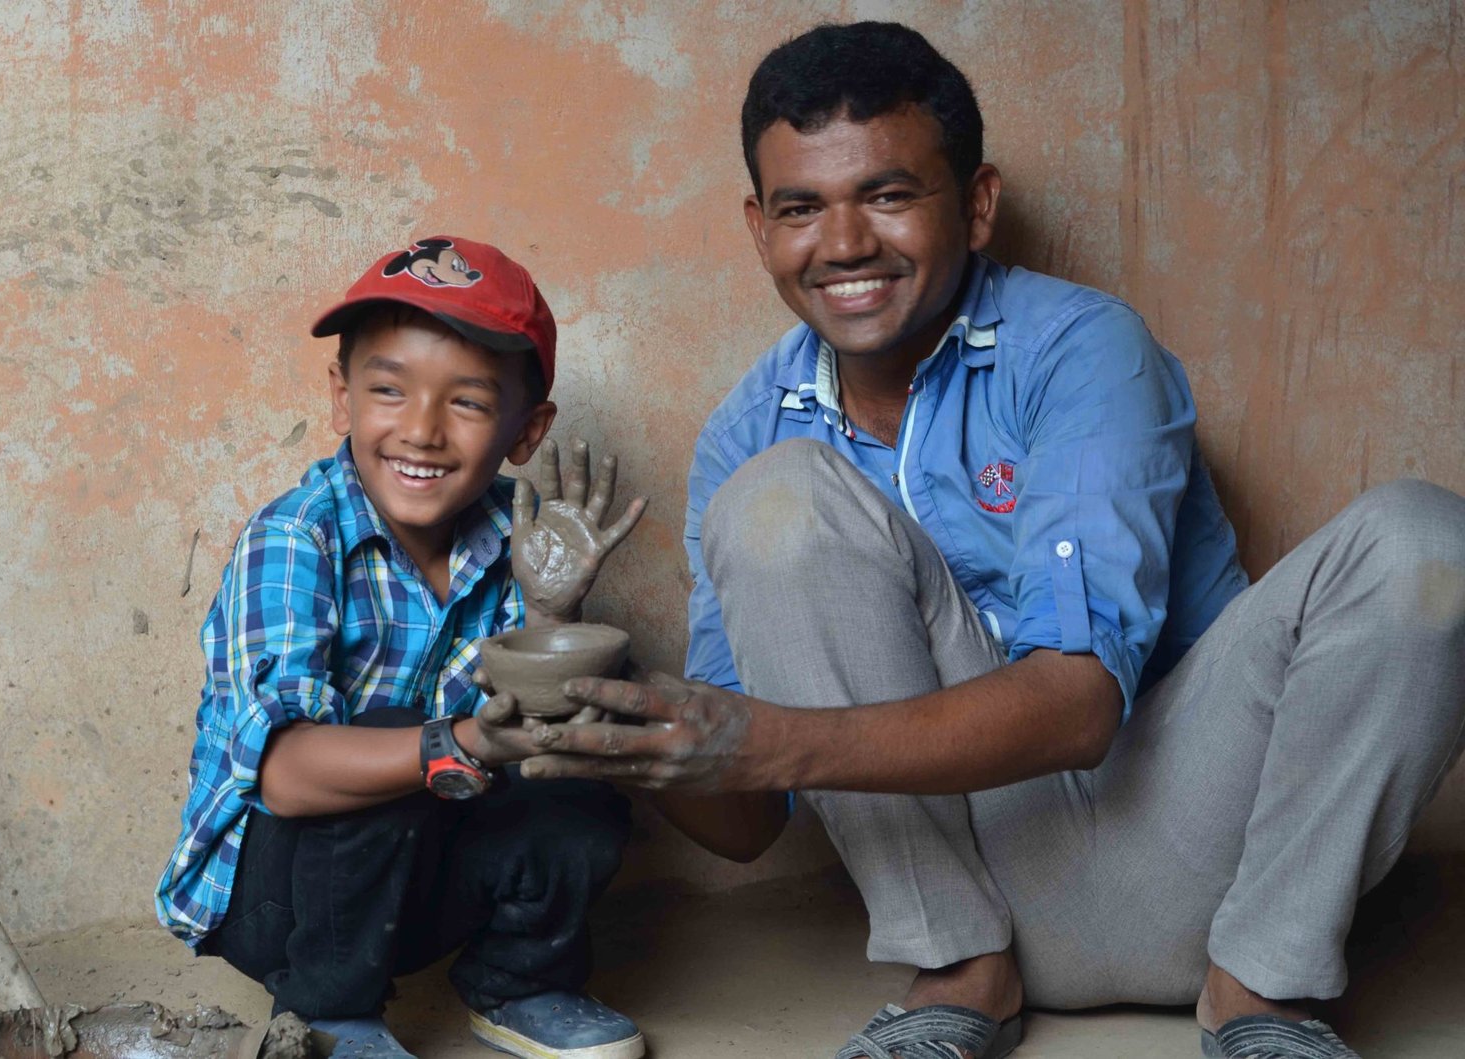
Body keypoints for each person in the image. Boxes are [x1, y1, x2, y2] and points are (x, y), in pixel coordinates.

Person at [500, 23, 1465, 1059]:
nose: (842, 245)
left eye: (887, 194)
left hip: (1207, 850)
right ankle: (961, 978)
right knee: (774, 497)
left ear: (977, 203)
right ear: (758, 227)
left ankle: (1264, 995)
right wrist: (597, 707)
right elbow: (749, 827)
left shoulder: (1082, 349)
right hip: (976, 884)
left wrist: (763, 735)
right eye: (799, 208)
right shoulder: (750, 430)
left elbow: (1081, 709)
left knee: (1429, 542)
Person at [155, 236, 648, 1059]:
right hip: (278, 901)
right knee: (392, 733)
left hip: (409, 883)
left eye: (467, 402)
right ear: (342, 398)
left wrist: (552, 611)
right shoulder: (296, 538)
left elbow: (539, 732)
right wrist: (456, 743)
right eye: (389, 390)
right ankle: (327, 1013)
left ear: (527, 431)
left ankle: (518, 979)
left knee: (574, 752)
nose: (420, 430)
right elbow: (283, 773)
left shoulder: (516, 542)